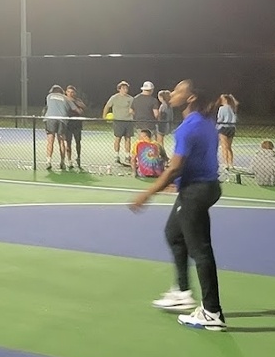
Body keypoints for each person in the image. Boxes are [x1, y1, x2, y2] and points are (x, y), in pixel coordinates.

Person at [129, 79, 226, 331]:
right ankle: (182, 292)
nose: (173, 93)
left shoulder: (188, 128)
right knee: (174, 234)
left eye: (179, 90)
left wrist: (147, 194)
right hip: (204, 187)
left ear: (191, 98)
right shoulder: (204, 122)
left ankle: (212, 312)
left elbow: (173, 168)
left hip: (196, 191)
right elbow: (195, 160)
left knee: (201, 251)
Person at [102, 81, 135, 166]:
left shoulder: (131, 99)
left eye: (126, 88)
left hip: (128, 121)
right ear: (119, 89)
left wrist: (133, 113)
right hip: (118, 121)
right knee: (118, 138)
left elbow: (133, 110)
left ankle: (127, 156)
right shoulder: (114, 97)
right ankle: (116, 155)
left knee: (128, 139)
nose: (125, 89)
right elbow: (107, 106)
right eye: (123, 88)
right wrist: (104, 116)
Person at [43, 85, 71, 171]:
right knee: (61, 141)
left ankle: (48, 161)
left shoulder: (49, 96)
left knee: (50, 141)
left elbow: (47, 107)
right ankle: (62, 162)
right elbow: (69, 108)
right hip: (62, 120)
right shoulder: (66, 98)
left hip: (50, 119)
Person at [63, 84, 86, 171]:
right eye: (68, 92)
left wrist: (73, 102)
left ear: (75, 93)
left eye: (72, 92)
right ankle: (69, 160)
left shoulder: (78, 100)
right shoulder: (64, 100)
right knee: (68, 143)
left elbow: (83, 107)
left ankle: (78, 157)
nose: (70, 93)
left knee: (78, 142)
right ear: (66, 92)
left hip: (77, 124)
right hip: (68, 124)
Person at [217, 93, 239, 171]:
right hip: (232, 128)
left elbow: (220, 119)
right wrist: (231, 96)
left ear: (225, 100)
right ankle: (231, 164)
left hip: (224, 128)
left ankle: (225, 164)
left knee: (224, 147)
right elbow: (236, 103)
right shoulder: (233, 107)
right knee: (229, 147)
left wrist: (216, 127)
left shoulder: (222, 109)